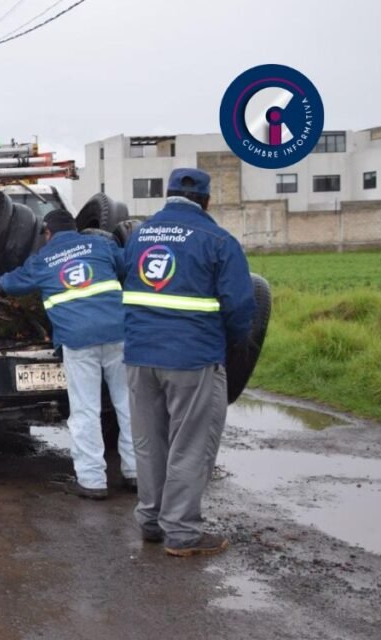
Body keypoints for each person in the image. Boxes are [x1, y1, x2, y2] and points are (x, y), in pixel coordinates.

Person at [121, 168, 255, 557]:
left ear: (167, 195)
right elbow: (240, 307)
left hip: (140, 357)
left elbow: (125, 283)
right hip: (192, 358)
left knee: (149, 443)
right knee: (190, 445)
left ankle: (151, 521)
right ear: (207, 201)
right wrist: (232, 343)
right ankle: (181, 532)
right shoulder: (218, 240)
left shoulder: (139, 236)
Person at [0, 209, 137, 500]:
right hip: (118, 333)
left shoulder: (44, 258)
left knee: (86, 410)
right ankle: (137, 473)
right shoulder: (100, 244)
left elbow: (13, 283)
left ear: (48, 233)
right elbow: (126, 265)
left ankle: (92, 481)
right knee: (128, 405)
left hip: (78, 341)